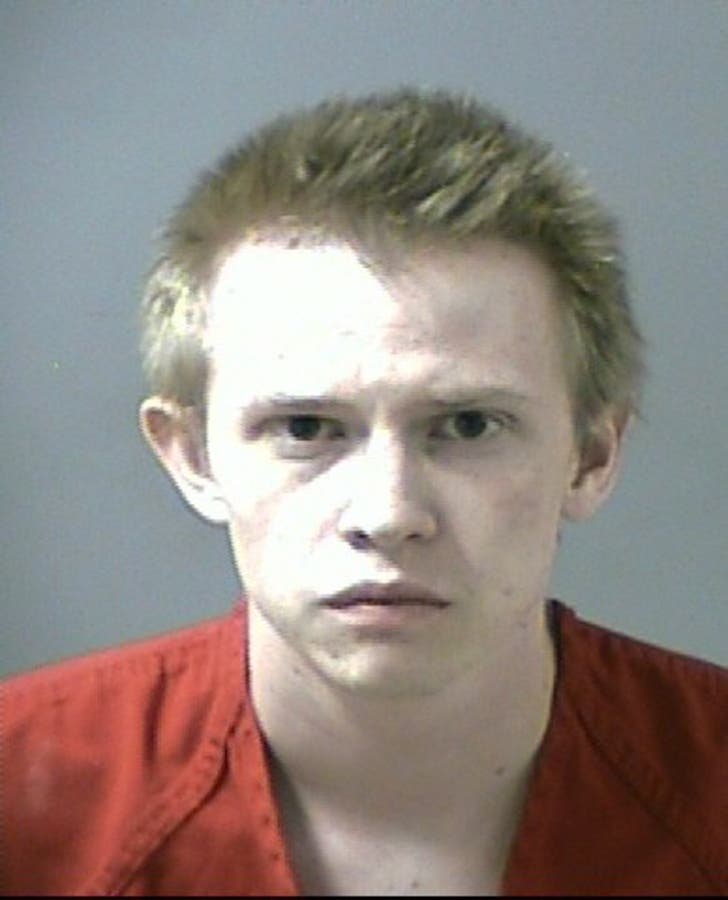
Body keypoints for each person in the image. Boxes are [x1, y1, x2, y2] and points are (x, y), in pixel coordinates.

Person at [2, 88, 726, 897]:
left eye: (469, 426)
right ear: (193, 459)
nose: (387, 515)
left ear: (590, 457)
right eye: (306, 428)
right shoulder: (17, 802)